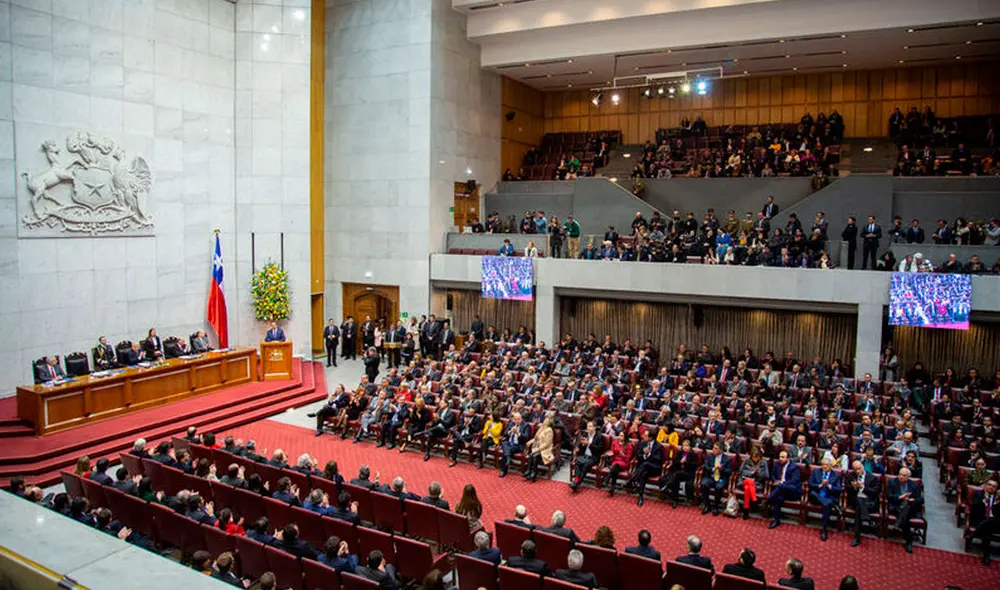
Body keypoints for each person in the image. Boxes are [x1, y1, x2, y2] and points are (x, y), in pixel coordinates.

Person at [887, 467, 922, 553]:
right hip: (896, 506)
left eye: (904, 475)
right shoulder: (892, 482)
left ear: (908, 477)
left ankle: (898, 524)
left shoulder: (913, 485)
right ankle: (908, 542)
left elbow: (921, 500)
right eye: (900, 474)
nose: (901, 477)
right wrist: (900, 497)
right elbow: (888, 496)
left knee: (907, 507)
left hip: (910, 507)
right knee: (905, 516)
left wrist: (912, 500)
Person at [845, 459, 880, 547]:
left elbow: (875, 492)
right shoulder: (850, 476)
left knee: (859, 508)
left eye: (859, 468)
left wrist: (863, 487)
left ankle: (857, 537)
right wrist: (854, 487)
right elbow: (846, 488)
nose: (857, 471)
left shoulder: (872, 477)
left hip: (868, 502)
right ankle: (866, 517)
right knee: (859, 500)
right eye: (855, 469)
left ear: (863, 467)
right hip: (855, 500)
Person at [807, 458, 842, 541]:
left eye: (826, 465)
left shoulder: (835, 475)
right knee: (812, 493)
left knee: (826, 505)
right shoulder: (816, 471)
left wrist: (829, 486)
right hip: (816, 496)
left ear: (830, 466)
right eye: (823, 464)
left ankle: (824, 530)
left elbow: (839, 489)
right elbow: (810, 483)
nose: (824, 466)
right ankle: (832, 504)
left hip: (828, 496)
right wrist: (820, 485)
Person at [629, 428, 664, 506]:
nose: (643, 436)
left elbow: (658, 460)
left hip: (655, 468)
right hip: (644, 469)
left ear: (651, 438)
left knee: (646, 464)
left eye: (645, 436)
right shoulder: (642, 443)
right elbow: (638, 455)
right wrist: (644, 455)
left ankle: (633, 479)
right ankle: (640, 496)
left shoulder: (659, 446)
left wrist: (648, 454)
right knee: (644, 473)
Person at [768, 450, 802, 529]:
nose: (780, 459)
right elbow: (772, 474)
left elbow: (794, 481)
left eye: (783, 457)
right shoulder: (777, 465)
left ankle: (769, 499)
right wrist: (775, 481)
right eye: (779, 457)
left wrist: (781, 483)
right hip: (781, 491)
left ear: (788, 458)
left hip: (792, 491)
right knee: (778, 498)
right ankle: (776, 520)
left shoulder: (794, 467)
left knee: (780, 487)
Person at [970, 479, 998, 564]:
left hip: (993, 521)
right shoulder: (978, 494)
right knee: (988, 526)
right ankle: (986, 554)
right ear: (985, 485)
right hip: (980, 519)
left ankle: (973, 534)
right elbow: (974, 509)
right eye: (989, 485)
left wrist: (997, 503)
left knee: (991, 522)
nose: (991, 487)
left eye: (994, 486)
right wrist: (985, 501)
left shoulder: (998, 497)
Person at [570, 420, 605, 491]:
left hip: (594, 457)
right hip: (585, 455)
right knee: (577, 462)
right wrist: (582, 445)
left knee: (585, 464)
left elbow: (599, 449)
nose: (588, 428)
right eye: (587, 426)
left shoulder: (599, 436)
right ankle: (576, 480)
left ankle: (577, 483)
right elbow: (581, 446)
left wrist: (589, 444)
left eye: (590, 426)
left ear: (594, 428)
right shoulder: (585, 434)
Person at [700, 442, 731, 516]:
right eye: (713, 448)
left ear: (721, 450)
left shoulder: (727, 459)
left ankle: (716, 507)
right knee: (704, 483)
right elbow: (705, 466)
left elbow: (729, 471)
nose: (713, 450)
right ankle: (707, 505)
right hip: (711, 476)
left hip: (721, 477)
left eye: (715, 448)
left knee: (719, 486)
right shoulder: (709, 456)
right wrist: (713, 469)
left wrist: (722, 469)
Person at [739, 446, 769, 519]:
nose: (756, 459)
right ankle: (754, 499)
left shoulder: (764, 463)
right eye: (754, 457)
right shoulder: (746, 461)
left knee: (747, 488)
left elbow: (767, 476)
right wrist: (751, 473)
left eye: (757, 457)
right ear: (751, 456)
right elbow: (741, 472)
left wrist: (758, 472)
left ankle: (746, 510)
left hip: (756, 484)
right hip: (744, 481)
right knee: (748, 481)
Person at [499, 412, 530, 478]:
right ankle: (508, 458)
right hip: (509, 443)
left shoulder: (526, 425)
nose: (517, 421)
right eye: (515, 419)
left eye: (518, 419)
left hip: (518, 445)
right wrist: (510, 432)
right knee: (504, 443)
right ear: (513, 419)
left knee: (506, 450)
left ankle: (503, 470)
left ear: (521, 419)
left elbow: (526, 437)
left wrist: (518, 433)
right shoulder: (511, 424)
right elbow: (504, 434)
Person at [524, 416, 554, 482]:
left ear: (549, 423)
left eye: (546, 420)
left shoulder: (549, 430)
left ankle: (534, 473)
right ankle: (528, 471)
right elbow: (536, 438)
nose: (544, 421)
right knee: (531, 455)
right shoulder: (541, 428)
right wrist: (530, 442)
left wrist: (538, 449)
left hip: (544, 449)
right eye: (545, 420)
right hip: (537, 446)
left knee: (534, 455)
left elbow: (546, 444)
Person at [604, 430, 634, 497]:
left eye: (622, 436)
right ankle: (612, 488)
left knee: (615, 466)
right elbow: (612, 451)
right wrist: (612, 453)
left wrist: (623, 455)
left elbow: (628, 458)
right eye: (619, 435)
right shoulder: (615, 442)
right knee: (615, 469)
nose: (620, 437)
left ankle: (607, 479)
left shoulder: (629, 445)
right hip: (615, 460)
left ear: (625, 437)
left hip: (624, 462)